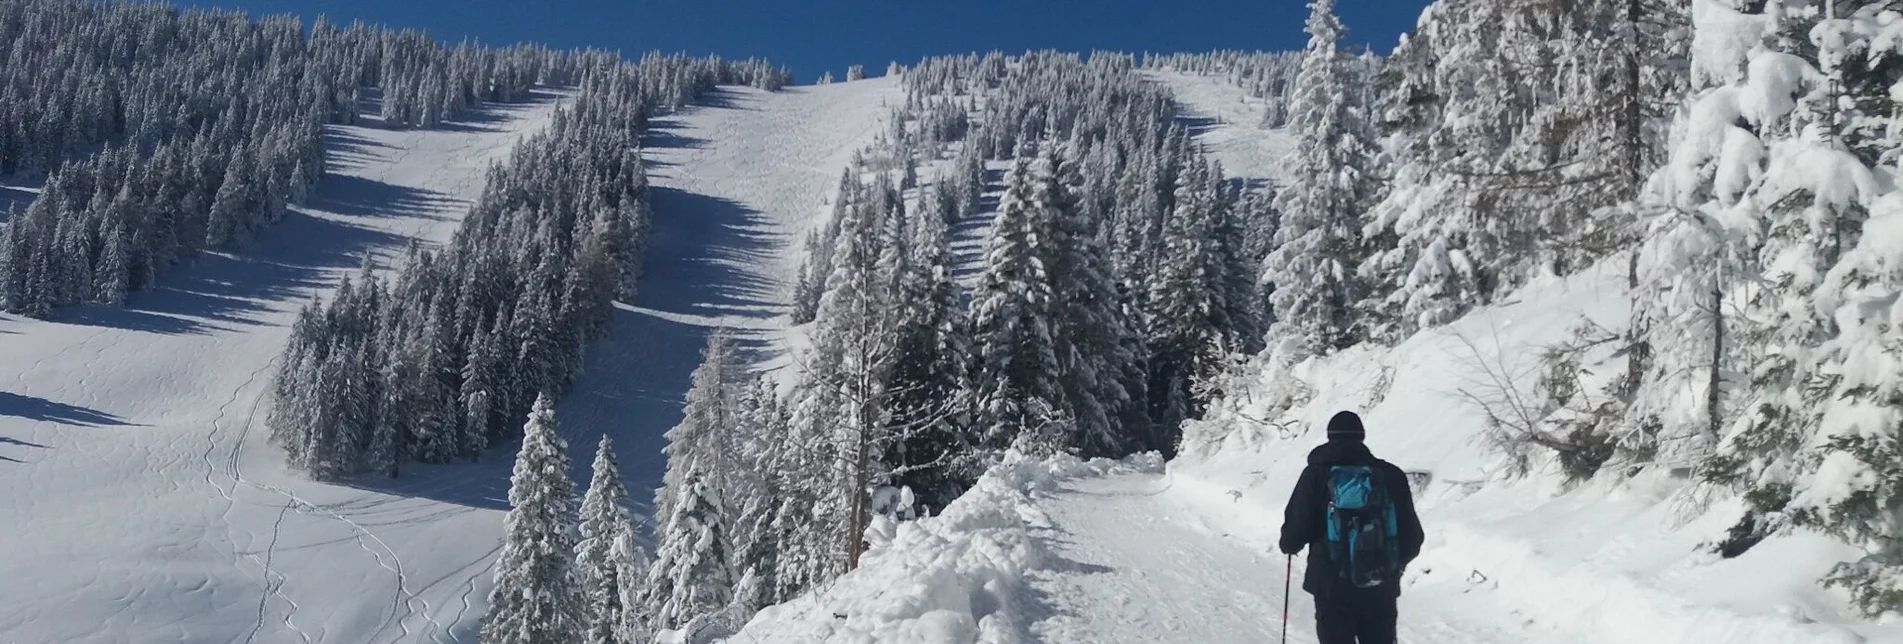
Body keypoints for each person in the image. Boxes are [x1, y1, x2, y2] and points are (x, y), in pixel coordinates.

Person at [1279, 411, 1425, 644]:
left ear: (1329, 437)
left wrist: (1288, 544)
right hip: (1380, 586)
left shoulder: (1316, 475)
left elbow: (1294, 534)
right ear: (1362, 437)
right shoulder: (1390, 475)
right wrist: (1391, 565)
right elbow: (1413, 537)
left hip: (1332, 587)